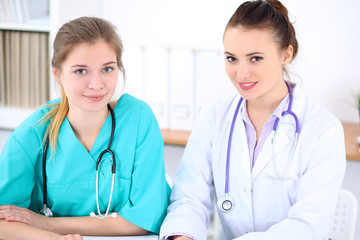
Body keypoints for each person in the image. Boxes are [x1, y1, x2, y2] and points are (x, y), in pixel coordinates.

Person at [160, 0, 346, 239]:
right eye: (231, 58)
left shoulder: (323, 129)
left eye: (255, 58)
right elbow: (189, 198)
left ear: (286, 54)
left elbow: (309, 224)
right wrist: (182, 235)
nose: (241, 73)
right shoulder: (214, 117)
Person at [0, 16, 170, 240]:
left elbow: (143, 219)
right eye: (81, 71)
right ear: (57, 73)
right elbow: (5, 221)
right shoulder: (32, 134)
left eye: (107, 69)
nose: (97, 84)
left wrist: (48, 224)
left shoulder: (138, 119)